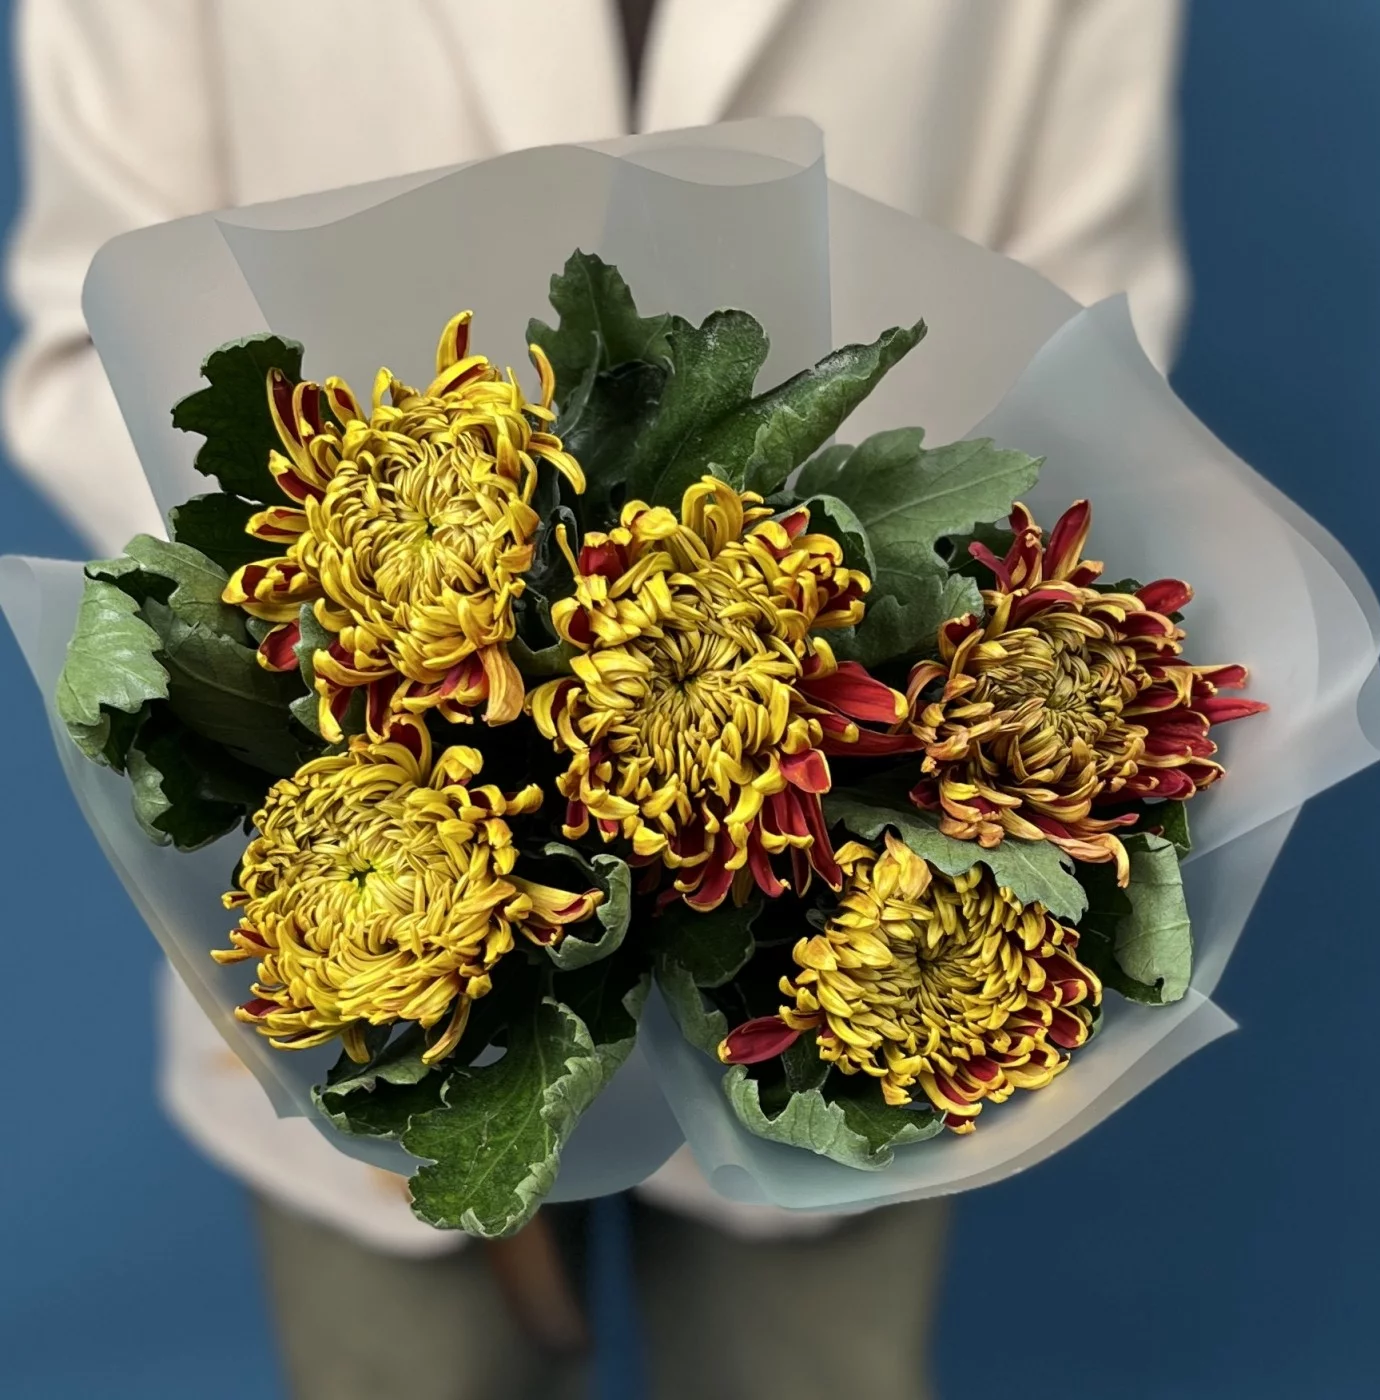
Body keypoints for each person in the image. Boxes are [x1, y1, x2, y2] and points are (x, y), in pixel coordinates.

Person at [3, 2, 1188, 1396]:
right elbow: (81, 344)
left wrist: (887, 664)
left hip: (863, 882)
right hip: (365, 897)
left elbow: (1098, 327)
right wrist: (375, 649)